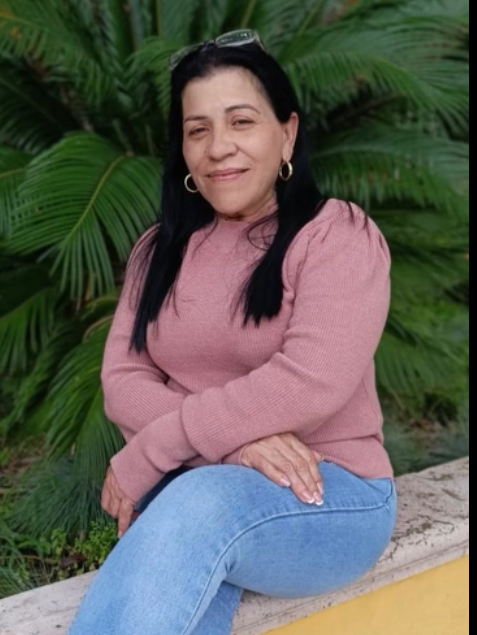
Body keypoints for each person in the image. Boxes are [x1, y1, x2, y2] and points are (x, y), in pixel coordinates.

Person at [68, 29, 397, 635]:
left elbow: (308, 382)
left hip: (327, 492)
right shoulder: (157, 251)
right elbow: (123, 381)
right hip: (199, 490)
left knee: (197, 503)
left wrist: (165, 444)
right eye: (198, 130)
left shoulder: (336, 236)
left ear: (287, 133)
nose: (219, 147)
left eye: (241, 121)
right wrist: (234, 446)